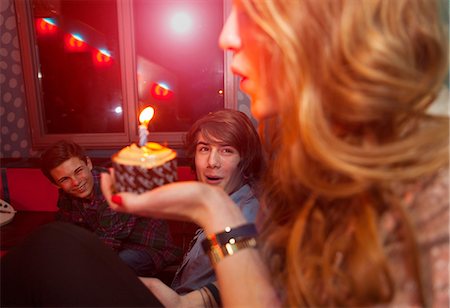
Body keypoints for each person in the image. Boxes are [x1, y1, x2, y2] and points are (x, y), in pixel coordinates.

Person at [1, 0, 448, 307]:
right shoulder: (323, 162)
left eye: (251, 10)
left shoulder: (429, 203)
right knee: (58, 243)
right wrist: (211, 210)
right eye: (203, 149)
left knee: (53, 250)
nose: (227, 35)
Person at [139, 109, 264, 306]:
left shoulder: (243, 215)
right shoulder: (220, 203)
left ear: (244, 160)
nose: (211, 163)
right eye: (204, 149)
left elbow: (249, 276)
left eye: (226, 150)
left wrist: (187, 302)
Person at [40, 140, 181, 277]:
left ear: (88, 163)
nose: (76, 182)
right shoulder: (67, 197)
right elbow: (65, 233)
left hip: (149, 247)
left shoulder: (113, 187)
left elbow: (104, 247)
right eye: (65, 179)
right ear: (56, 184)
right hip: (112, 246)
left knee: (109, 266)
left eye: (78, 171)